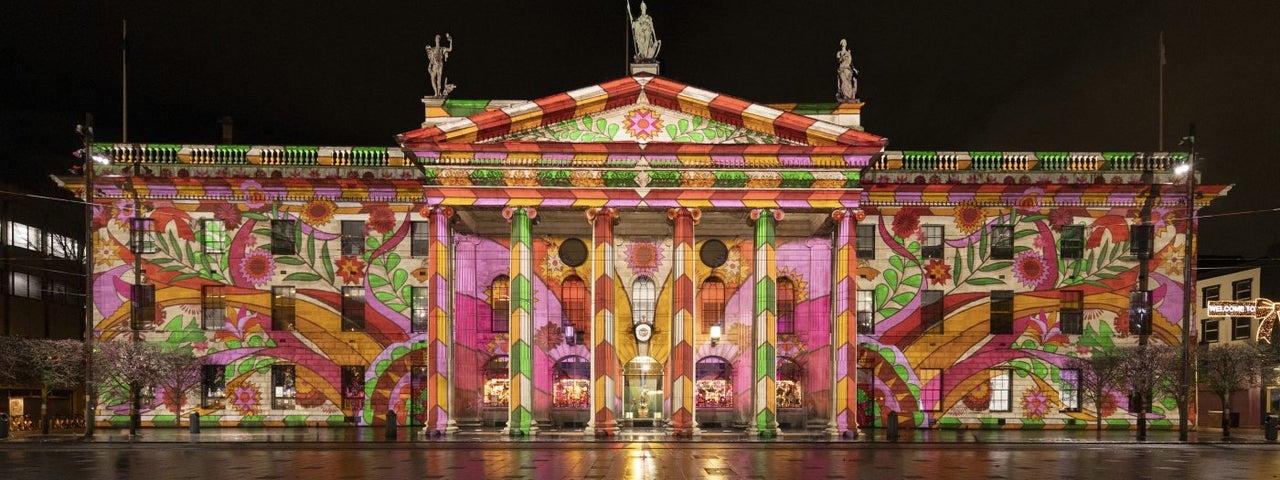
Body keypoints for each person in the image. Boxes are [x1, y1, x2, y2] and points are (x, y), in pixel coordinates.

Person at [425, 33, 453, 98]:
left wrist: (451, 41)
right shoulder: (432, 49)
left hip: (440, 65)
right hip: (434, 65)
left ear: (439, 40)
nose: (437, 40)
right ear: (435, 40)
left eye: (438, 39)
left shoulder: (442, 48)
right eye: (436, 39)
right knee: (432, 79)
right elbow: (431, 59)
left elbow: (450, 49)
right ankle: (435, 92)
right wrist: (429, 66)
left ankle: (438, 93)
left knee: (439, 79)